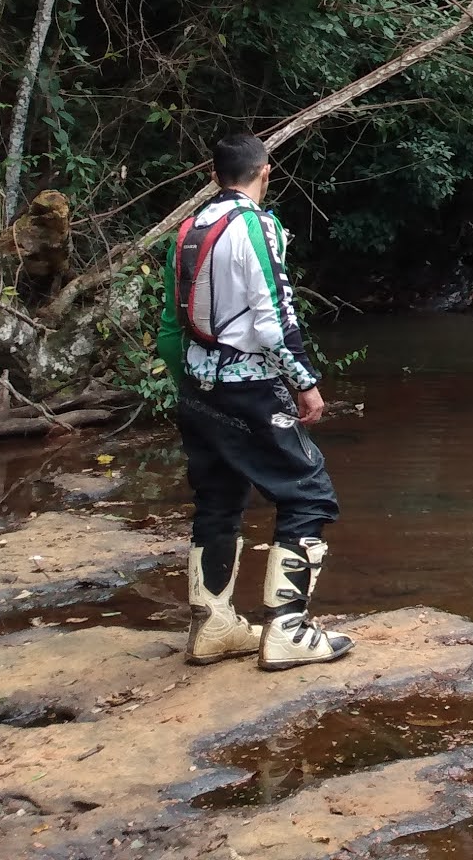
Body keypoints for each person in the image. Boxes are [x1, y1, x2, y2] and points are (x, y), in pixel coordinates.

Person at [156, 132, 352, 671]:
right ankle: (288, 630)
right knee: (309, 494)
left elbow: (174, 322)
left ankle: (212, 627)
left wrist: (188, 382)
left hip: (198, 386)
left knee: (218, 499)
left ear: (213, 175)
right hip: (248, 386)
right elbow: (273, 317)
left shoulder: (188, 228)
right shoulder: (258, 226)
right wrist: (304, 381)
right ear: (266, 172)